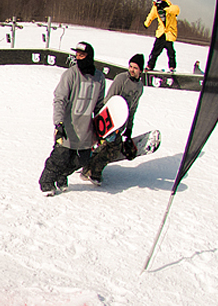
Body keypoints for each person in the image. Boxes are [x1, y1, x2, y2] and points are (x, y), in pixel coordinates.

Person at [38, 41, 106, 196]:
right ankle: (47, 182)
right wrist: (58, 123)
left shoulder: (99, 78)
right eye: (77, 55)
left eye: (82, 55)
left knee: (82, 160)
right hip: (68, 126)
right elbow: (59, 99)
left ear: (89, 57)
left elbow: (99, 106)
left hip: (86, 129)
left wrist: (102, 130)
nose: (78, 58)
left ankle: (62, 176)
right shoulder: (70, 74)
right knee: (60, 157)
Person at [79, 54, 145, 185]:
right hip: (109, 121)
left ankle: (87, 169)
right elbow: (109, 99)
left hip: (120, 123)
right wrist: (104, 123)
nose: (132, 70)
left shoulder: (139, 87)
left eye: (135, 68)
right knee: (114, 149)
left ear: (141, 70)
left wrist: (129, 128)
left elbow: (133, 108)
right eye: (130, 66)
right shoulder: (121, 79)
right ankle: (94, 172)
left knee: (107, 147)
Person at [144, 0, 180, 72]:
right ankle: (150, 65)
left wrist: (166, 9)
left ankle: (172, 67)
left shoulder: (169, 6)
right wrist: (146, 23)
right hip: (161, 33)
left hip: (169, 34)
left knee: (171, 52)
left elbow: (176, 10)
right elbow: (151, 16)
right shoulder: (155, 8)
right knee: (155, 51)